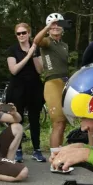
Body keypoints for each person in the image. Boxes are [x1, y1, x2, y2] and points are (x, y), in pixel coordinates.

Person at [34, 13, 73, 173]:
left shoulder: (64, 45)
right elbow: (36, 41)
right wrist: (48, 27)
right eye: (52, 24)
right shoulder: (47, 42)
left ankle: (59, 159)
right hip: (52, 83)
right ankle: (55, 162)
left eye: (58, 24)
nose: (55, 26)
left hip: (64, 83)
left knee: (62, 124)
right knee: (57, 123)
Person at [6, 23, 46, 163]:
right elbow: (14, 70)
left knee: (35, 120)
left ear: (29, 33)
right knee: (17, 119)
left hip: (34, 87)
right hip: (17, 88)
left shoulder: (36, 49)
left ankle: (37, 150)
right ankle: (18, 150)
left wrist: (33, 54)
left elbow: (40, 70)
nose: (21, 36)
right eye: (18, 33)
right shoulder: (12, 50)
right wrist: (27, 55)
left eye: (24, 33)